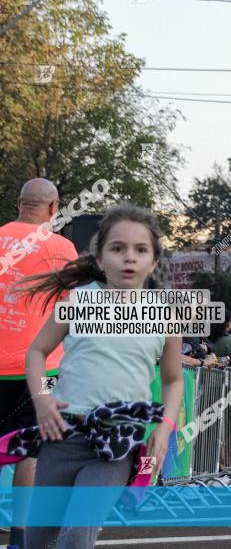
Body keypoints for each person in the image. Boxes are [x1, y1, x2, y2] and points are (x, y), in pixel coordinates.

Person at [15, 203, 183, 548]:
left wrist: (165, 427)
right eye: (117, 248)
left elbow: (173, 379)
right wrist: (42, 401)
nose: (129, 258)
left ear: (153, 262)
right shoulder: (77, 302)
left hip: (116, 443)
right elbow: (36, 352)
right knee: (38, 539)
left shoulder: (164, 319)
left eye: (140, 250)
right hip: (62, 435)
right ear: (100, 257)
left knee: (77, 536)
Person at [0, 179, 78, 549]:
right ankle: (20, 537)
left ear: (19, 204)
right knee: (31, 451)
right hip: (42, 371)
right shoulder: (61, 247)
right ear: (53, 208)